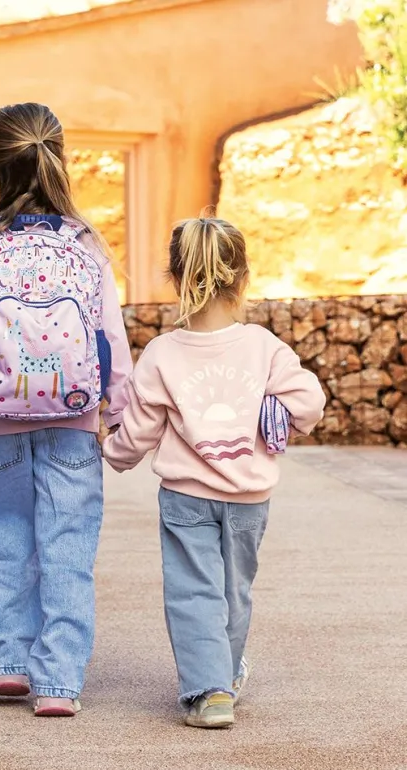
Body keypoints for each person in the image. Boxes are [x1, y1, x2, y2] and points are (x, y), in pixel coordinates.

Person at [102, 217, 326, 728]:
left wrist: (113, 453)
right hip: (249, 498)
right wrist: (277, 410)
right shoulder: (263, 346)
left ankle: (211, 690)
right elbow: (310, 401)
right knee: (234, 590)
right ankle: (223, 675)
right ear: (242, 278)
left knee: (193, 591)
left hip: (185, 498)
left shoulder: (161, 353)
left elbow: (139, 430)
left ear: (177, 278)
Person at [0, 102, 132, 717]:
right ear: (60, 160)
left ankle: (8, 660)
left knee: (6, 534)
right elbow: (111, 337)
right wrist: (118, 413)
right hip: (73, 418)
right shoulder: (84, 243)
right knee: (68, 545)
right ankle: (57, 680)